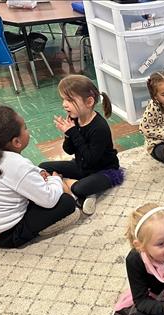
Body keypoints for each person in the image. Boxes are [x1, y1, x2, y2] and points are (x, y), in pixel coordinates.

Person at [0, 106, 78, 248]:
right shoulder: (15, 164)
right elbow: (49, 200)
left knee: (38, 177)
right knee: (66, 202)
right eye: (26, 128)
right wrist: (56, 180)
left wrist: (39, 173)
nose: (28, 130)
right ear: (16, 142)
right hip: (5, 236)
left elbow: (20, 173)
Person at [39, 74, 123, 216]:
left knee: (79, 188)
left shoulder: (99, 127)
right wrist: (67, 134)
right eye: (64, 99)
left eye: (70, 100)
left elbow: (91, 159)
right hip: (82, 166)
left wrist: (73, 133)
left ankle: (75, 189)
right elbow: (69, 150)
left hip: (104, 170)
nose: (64, 104)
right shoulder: (75, 118)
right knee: (43, 166)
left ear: (89, 102)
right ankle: (82, 190)